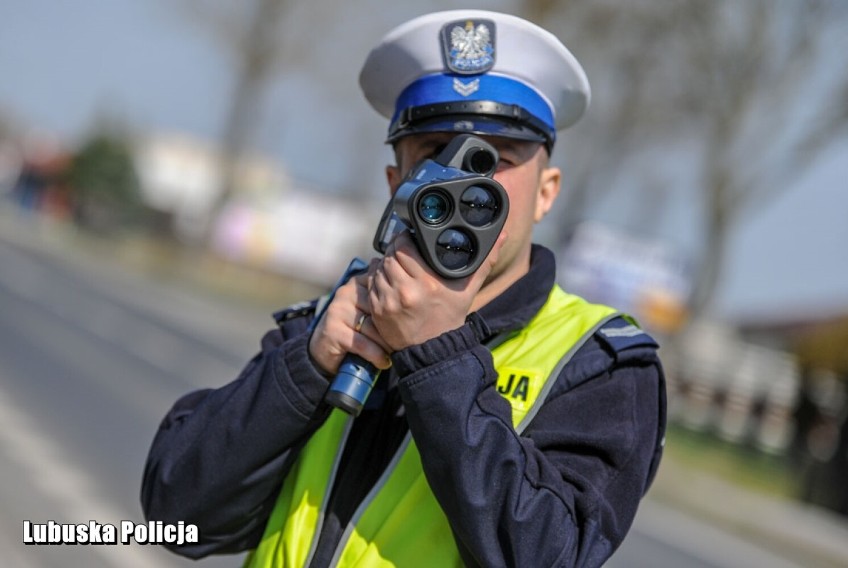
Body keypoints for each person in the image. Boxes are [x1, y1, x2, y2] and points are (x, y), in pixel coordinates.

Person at [141, 9, 666, 567]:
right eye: (434, 155)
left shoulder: (599, 366)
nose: (464, 187)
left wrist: (439, 355)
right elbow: (178, 521)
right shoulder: (327, 321)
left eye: (495, 161)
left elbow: (547, 556)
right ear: (397, 184)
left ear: (545, 192)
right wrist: (306, 370)